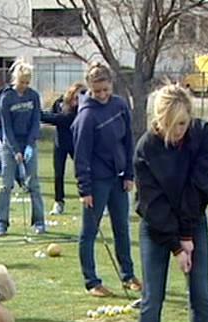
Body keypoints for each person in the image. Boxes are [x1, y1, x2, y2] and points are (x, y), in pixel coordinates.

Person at [132, 84, 208, 322]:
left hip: (194, 221)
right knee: (152, 299)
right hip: (156, 227)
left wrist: (186, 235)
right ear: (159, 121)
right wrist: (175, 245)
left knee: (201, 295)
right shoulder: (146, 148)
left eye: (183, 123)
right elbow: (151, 204)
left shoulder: (203, 136)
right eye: (172, 125)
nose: (178, 131)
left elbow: (201, 186)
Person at [71, 62, 142, 297]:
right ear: (90, 88)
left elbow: (128, 141)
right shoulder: (87, 116)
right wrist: (85, 190)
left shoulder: (120, 106)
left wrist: (129, 174)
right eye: (97, 91)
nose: (102, 95)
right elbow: (81, 156)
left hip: (119, 178)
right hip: (97, 182)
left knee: (122, 228)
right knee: (89, 232)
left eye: (106, 89)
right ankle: (92, 281)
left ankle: (128, 275)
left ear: (111, 84)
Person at [0, 60, 45, 237]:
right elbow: (6, 128)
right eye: (22, 82)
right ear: (15, 79)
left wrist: (29, 145)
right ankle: (1, 222)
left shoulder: (33, 96)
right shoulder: (7, 97)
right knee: (6, 184)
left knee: (33, 183)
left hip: (28, 143)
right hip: (10, 145)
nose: (24, 86)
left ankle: (39, 221)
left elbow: (36, 121)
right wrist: (15, 151)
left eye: (27, 82)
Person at [41, 81, 84, 215]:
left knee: (82, 173)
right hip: (60, 143)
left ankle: (89, 198)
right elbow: (52, 113)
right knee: (58, 173)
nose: (78, 100)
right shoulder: (60, 102)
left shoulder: (80, 110)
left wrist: (38, 114)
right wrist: (40, 114)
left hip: (75, 144)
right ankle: (59, 202)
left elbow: (60, 119)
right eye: (76, 96)